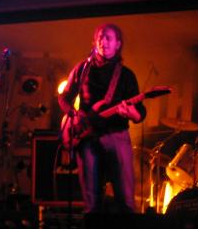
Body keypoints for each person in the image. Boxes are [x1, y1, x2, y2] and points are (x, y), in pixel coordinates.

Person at [58, 23, 146, 213]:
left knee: (125, 200)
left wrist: (130, 113)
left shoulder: (126, 75)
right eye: (100, 37)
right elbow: (64, 97)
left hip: (116, 137)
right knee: (91, 203)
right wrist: (74, 116)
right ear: (94, 42)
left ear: (118, 44)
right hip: (86, 138)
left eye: (108, 38)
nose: (103, 41)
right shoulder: (82, 69)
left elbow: (139, 113)